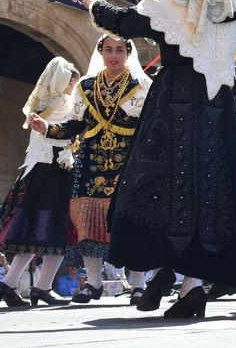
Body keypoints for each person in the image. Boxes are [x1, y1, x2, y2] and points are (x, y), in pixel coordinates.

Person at [80, 0, 236, 318]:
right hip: (220, 107)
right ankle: (184, 283)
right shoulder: (229, 11)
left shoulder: (169, 0)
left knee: (160, 186)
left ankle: (168, 275)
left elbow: (123, 22)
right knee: (207, 195)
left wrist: (94, 2)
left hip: (175, 103)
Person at [29, 38, 151, 305]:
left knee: (130, 220)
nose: (114, 55)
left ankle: (139, 284)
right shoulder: (85, 87)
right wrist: (47, 129)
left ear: (128, 53)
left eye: (120, 50)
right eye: (109, 50)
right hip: (91, 162)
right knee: (87, 221)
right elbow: (73, 126)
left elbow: (150, 128)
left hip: (128, 163)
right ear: (101, 53)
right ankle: (93, 282)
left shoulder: (141, 86)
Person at [0, 57, 80, 307]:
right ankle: (42, 287)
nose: (73, 87)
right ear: (64, 81)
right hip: (55, 174)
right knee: (58, 230)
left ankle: (10, 283)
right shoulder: (64, 103)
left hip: (36, 173)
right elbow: (73, 129)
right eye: (72, 82)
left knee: (33, 232)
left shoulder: (41, 101)